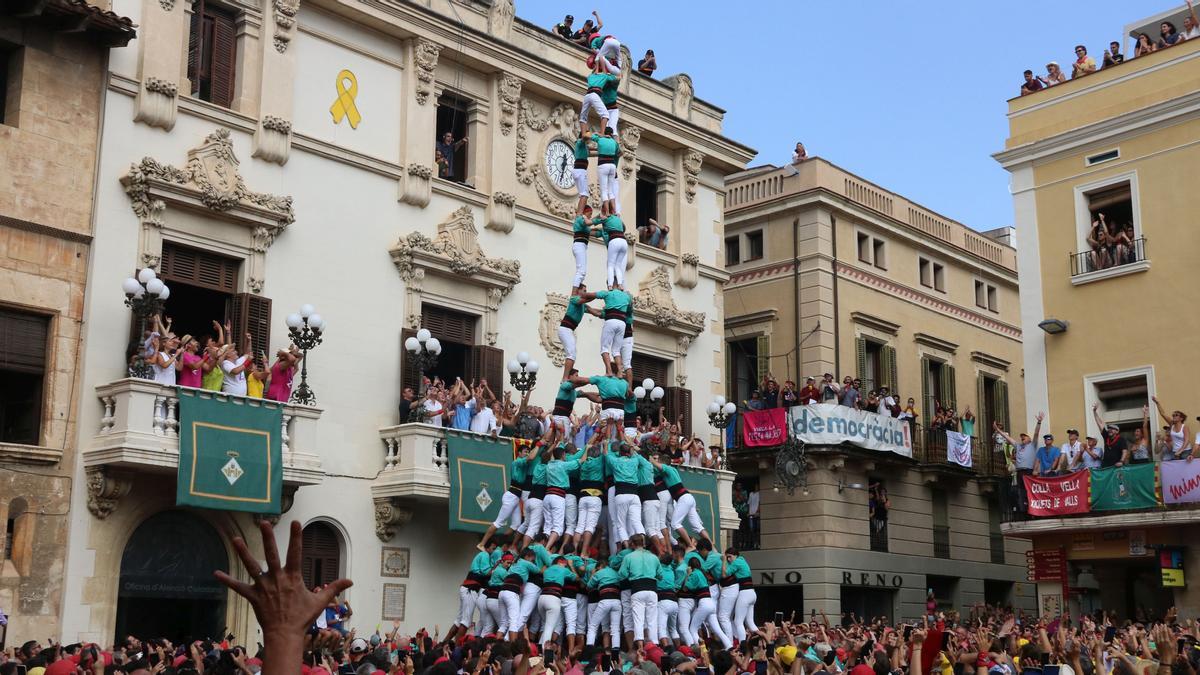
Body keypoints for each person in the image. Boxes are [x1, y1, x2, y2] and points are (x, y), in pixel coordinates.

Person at [618, 534, 660, 649]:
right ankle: (654, 646)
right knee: (651, 620)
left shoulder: (629, 557)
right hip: (652, 589)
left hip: (637, 589)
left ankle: (640, 648)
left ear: (632, 544)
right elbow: (660, 575)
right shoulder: (654, 557)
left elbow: (622, 574)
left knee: (638, 619)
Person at [591, 126, 621, 220]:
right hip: (612, 166)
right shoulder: (614, 142)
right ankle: (615, 211)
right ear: (611, 134)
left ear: (605, 133)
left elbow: (592, 135)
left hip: (603, 165)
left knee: (604, 191)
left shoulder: (600, 139)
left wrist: (600, 135)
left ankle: (607, 212)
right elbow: (618, 153)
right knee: (611, 191)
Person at [1153, 395, 1191, 460]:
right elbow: (1163, 414)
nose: (1174, 416)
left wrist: (1180, 450)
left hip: (1185, 450)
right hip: (1175, 451)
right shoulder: (1171, 424)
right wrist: (1157, 403)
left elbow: (1186, 440)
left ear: (1181, 418)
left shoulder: (1184, 427)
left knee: (1184, 466)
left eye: (1176, 415)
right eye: (1173, 415)